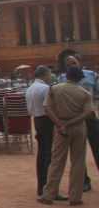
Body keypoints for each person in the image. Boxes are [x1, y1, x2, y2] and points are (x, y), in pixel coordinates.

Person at [38, 65, 95, 206]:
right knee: (78, 162)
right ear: (80, 78)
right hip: (78, 127)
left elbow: (47, 108)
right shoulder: (85, 93)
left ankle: (49, 195)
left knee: (57, 161)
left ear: (67, 76)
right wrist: (71, 123)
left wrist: (60, 124)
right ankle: (75, 197)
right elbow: (88, 113)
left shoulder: (54, 88)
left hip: (60, 127)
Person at [59, 54, 99, 192]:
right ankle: (84, 181)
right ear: (66, 67)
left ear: (79, 63)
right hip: (74, 119)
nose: (72, 65)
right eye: (69, 64)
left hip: (90, 117)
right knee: (78, 153)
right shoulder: (62, 79)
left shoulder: (92, 75)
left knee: (98, 147)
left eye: (74, 62)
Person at [26, 66, 66, 200]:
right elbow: (49, 107)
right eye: (49, 74)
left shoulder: (30, 88)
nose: (51, 76)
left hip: (37, 120)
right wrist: (59, 123)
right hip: (47, 121)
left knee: (42, 155)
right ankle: (49, 189)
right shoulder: (45, 88)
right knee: (49, 156)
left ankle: (42, 187)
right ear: (44, 75)